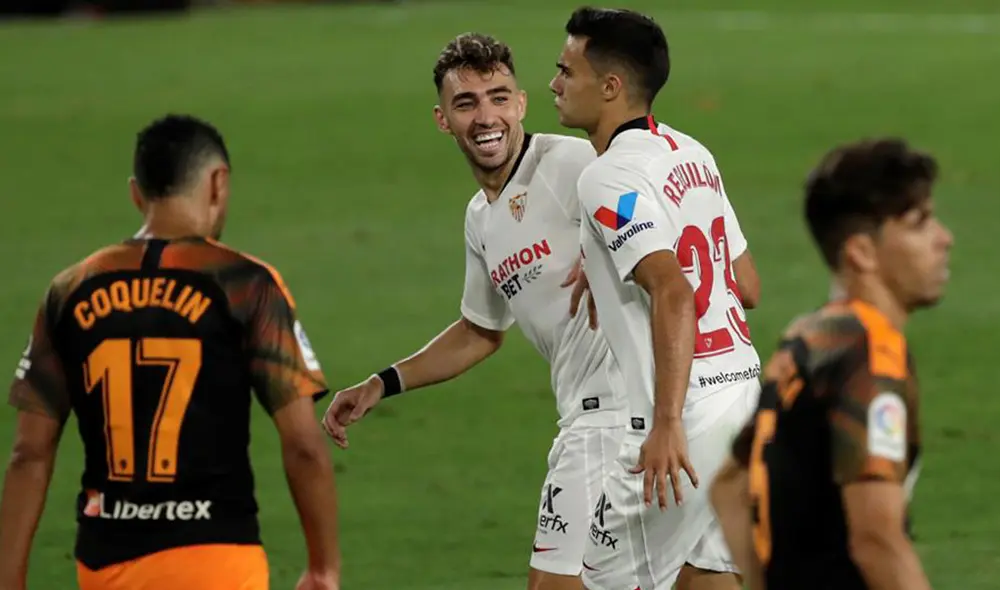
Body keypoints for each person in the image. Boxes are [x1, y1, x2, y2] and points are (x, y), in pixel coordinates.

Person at [322, 32, 626, 590]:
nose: (487, 116)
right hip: (597, 418)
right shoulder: (481, 220)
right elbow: (479, 331)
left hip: (613, 416)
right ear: (443, 119)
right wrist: (381, 384)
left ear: (522, 103)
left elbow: (656, 202)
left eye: (499, 97)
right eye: (467, 103)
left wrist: (614, 249)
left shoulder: (571, 164)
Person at [0, 114, 340, 590]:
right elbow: (303, 444)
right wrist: (323, 570)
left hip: (104, 566)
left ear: (136, 193)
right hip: (216, 560)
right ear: (218, 183)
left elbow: (29, 453)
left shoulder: (69, 289)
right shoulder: (246, 285)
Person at [549, 7, 762, 590]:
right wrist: (610, 265)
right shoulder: (693, 152)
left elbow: (673, 289)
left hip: (682, 424)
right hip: (744, 403)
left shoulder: (606, 177)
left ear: (611, 87)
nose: (554, 84)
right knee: (711, 579)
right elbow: (747, 286)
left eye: (567, 70)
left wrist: (666, 422)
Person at [710, 138, 950, 590]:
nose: (944, 238)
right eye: (920, 223)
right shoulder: (873, 356)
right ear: (861, 252)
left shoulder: (810, 337)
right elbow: (877, 539)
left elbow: (731, 488)